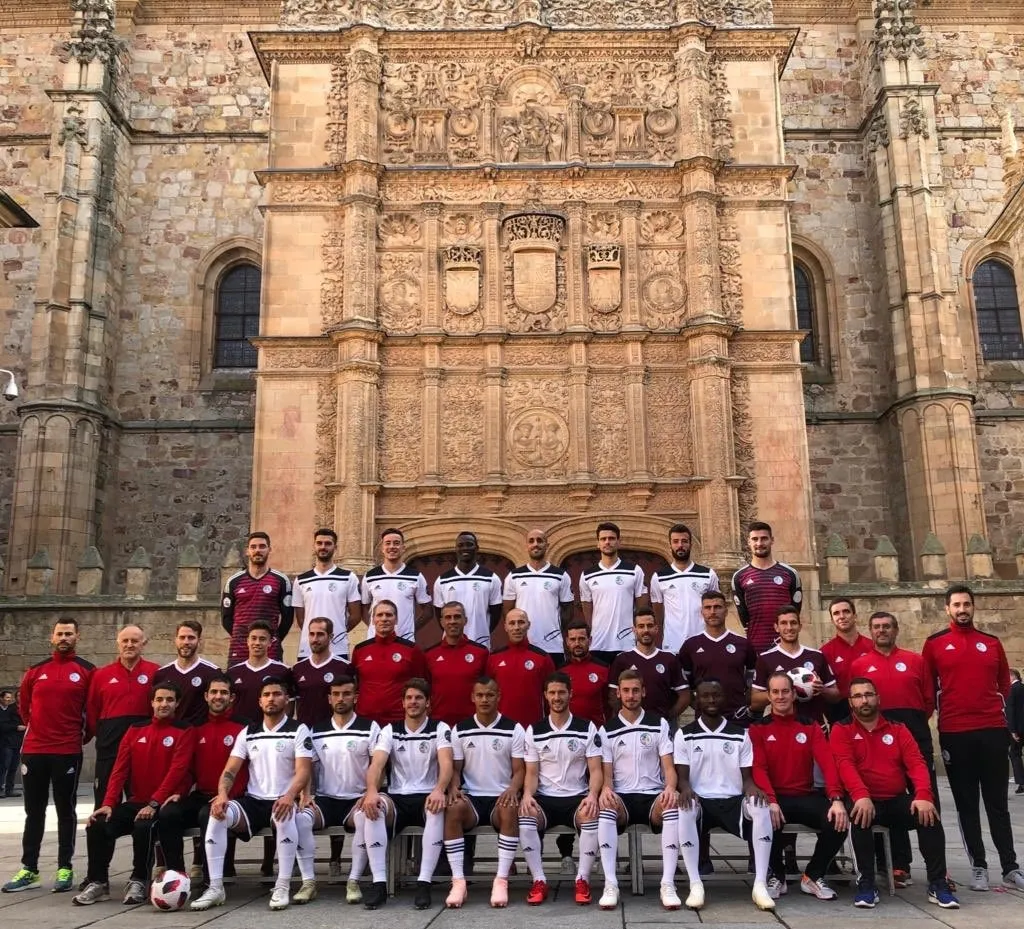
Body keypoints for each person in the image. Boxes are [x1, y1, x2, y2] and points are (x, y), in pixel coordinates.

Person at [922, 584, 1024, 891]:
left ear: (973, 607)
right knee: (967, 804)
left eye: (967, 604)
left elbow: (1004, 682)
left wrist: (998, 716)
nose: (962, 609)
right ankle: (978, 866)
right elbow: (928, 688)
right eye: (956, 605)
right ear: (947, 609)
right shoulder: (935, 644)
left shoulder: (991, 643)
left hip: (992, 731)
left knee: (997, 804)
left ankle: (1010, 866)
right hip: (955, 733)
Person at [831, 678, 960, 909]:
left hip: (896, 799)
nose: (864, 700)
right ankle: (867, 883)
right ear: (850, 702)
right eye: (858, 696)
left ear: (878, 698)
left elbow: (916, 763)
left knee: (929, 815)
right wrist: (861, 794)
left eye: (868, 694)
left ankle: (938, 883)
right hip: (866, 800)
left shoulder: (898, 728)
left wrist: (923, 794)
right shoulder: (841, 729)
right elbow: (844, 764)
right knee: (859, 815)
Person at [190, 676, 315, 912]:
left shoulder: (298, 729)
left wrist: (289, 795)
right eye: (267, 695)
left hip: (282, 799)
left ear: (286, 699)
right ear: (259, 701)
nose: (271, 699)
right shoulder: (249, 732)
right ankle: (215, 887)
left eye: (277, 694)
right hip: (254, 801)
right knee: (217, 813)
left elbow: (304, 770)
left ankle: (282, 885)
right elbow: (230, 769)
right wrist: (223, 794)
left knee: (285, 814)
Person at [72, 682, 194, 906]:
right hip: (137, 801)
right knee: (97, 823)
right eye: (159, 699)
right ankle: (98, 882)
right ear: (152, 702)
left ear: (177, 703)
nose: (163, 704)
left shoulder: (184, 731)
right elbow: (120, 769)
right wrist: (108, 803)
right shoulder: (135, 730)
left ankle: (139, 880)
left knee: (144, 825)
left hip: (163, 803)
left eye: (169, 700)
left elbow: (178, 770)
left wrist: (155, 803)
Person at [2, 618, 94, 894]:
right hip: (35, 751)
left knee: (66, 811)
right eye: (59, 634)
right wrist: (39, 730)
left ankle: (65, 867)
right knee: (34, 812)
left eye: (69, 633)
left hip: (67, 751)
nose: (64, 637)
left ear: (77, 636)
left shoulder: (88, 671)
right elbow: (25, 707)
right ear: (52, 637)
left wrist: (80, 737)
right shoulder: (35, 671)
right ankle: (29, 869)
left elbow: (92, 711)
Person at [851, 610, 936, 887]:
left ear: (896, 629)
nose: (882, 631)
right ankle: (893, 864)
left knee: (924, 800)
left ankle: (937, 869)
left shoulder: (915, 661)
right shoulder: (860, 664)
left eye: (887, 626)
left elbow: (928, 701)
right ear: (870, 631)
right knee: (886, 796)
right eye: (876, 627)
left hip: (912, 736)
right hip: (876, 738)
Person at [675, 678, 775, 911]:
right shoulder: (685, 734)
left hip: (732, 800)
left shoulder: (740, 734)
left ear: (724, 698)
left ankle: (760, 884)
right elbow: (682, 777)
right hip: (701, 801)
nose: (711, 700)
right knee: (684, 807)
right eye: (706, 695)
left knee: (761, 807)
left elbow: (747, 778)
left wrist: (752, 788)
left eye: (716, 695)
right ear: (696, 700)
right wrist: (686, 788)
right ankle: (695, 883)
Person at [749, 671, 848, 900]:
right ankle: (777, 876)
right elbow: (759, 769)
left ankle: (813, 875)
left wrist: (836, 798)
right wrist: (771, 801)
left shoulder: (810, 726)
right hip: (775, 797)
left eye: (785, 691)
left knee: (839, 820)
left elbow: (828, 764)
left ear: (795, 694)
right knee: (760, 816)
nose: (780, 696)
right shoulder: (758, 729)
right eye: (775, 692)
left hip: (805, 795)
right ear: (769, 696)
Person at [356, 678, 453, 910]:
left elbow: (447, 763)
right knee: (373, 809)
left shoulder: (440, 728)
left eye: (419, 698)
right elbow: (377, 765)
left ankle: (424, 883)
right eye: (409, 698)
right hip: (398, 796)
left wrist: (439, 789)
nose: (413, 702)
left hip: (426, 795)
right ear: (402, 703)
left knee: (436, 809)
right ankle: (379, 883)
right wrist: (371, 791)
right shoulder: (390, 730)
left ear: (428, 703)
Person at [597, 669, 681, 911]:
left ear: (643, 692)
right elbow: (607, 773)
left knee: (671, 806)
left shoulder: (659, 724)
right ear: (618, 694)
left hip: (652, 795)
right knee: (606, 808)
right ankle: (610, 884)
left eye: (635, 690)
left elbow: (668, 766)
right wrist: (606, 790)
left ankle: (668, 883)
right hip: (622, 797)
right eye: (626, 691)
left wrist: (670, 788)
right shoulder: (608, 729)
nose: (631, 695)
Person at [518, 672, 603, 906]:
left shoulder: (586, 728)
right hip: (545, 797)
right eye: (552, 692)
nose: (557, 697)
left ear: (570, 694)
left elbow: (595, 770)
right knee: (525, 815)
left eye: (561, 692)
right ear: (545, 695)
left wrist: (593, 795)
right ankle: (539, 880)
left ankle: (582, 879)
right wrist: (527, 795)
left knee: (592, 814)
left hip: (577, 796)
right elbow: (532, 773)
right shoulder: (534, 730)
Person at [156, 674, 248, 884]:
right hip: (201, 794)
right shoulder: (193, 728)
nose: (218, 696)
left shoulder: (244, 727)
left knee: (211, 815)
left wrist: (228, 794)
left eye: (223, 692)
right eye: (214, 692)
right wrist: (179, 792)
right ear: (206, 696)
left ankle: (210, 881)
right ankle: (176, 877)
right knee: (168, 813)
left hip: (232, 797)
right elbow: (187, 769)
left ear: (232, 697)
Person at [444, 675, 526, 908]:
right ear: (472, 698)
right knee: (452, 808)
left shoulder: (514, 728)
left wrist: (512, 788)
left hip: (500, 797)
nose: (485, 699)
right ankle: (458, 880)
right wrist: (454, 788)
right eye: (480, 695)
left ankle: (501, 880)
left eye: (490, 695)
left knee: (510, 808)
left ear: (498, 696)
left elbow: (519, 770)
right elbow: (456, 769)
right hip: (472, 798)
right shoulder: (460, 729)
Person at [301, 675, 380, 906]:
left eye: (346, 694)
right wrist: (306, 795)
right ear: (329, 698)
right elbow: (308, 766)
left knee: (368, 818)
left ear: (355, 697)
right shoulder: (317, 730)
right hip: (325, 800)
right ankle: (308, 882)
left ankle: (353, 880)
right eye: (336, 694)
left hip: (356, 800)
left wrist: (371, 791)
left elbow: (378, 764)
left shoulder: (369, 727)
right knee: (299, 819)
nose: (341, 698)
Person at [87, 624, 160, 806]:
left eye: (134, 641)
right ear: (118, 644)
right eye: (125, 641)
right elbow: (92, 710)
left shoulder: (156, 672)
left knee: (142, 803)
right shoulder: (101, 675)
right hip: (110, 748)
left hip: (143, 748)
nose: (129, 645)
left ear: (143, 644)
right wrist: (104, 735)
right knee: (105, 801)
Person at [678, 591, 756, 726]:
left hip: (737, 718)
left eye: (718, 607)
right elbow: (686, 686)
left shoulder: (743, 643)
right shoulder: (690, 645)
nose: (713, 611)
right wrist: (699, 705)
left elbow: (752, 682)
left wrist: (744, 704)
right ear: (702, 612)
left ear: (726, 611)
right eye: (708, 608)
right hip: (704, 719)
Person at [751, 606, 839, 723]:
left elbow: (836, 696)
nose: (789, 627)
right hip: (781, 729)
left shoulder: (816, 655)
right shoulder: (765, 658)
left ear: (800, 626)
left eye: (793, 623)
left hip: (814, 727)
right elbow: (755, 702)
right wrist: (780, 692)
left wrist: (822, 689)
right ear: (776, 627)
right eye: (783, 623)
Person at [579, 522, 649, 663]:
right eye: (603, 539)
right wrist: (591, 632)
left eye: (611, 538)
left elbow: (642, 607)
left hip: (627, 642)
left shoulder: (634, 570)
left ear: (618, 542)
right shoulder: (587, 575)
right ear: (598, 543)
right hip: (598, 643)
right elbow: (587, 607)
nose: (607, 542)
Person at [222, 531, 294, 666]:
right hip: (239, 649)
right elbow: (226, 618)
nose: (257, 550)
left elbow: (287, 618)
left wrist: (272, 639)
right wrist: (243, 638)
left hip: (270, 650)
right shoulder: (234, 581)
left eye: (262, 546)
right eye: (253, 547)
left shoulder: (281, 580)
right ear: (247, 551)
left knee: (272, 686)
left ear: (269, 549)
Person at [502, 528, 574, 662]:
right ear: (527, 546)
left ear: (547, 545)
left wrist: (554, 630)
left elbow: (568, 610)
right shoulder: (514, 576)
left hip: (552, 646)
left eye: (540, 541)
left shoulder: (560, 575)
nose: (536, 544)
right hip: (524, 644)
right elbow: (507, 610)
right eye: (531, 541)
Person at [351, 599, 428, 724]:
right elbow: (354, 685)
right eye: (379, 615)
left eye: (389, 615)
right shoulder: (360, 650)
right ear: (372, 620)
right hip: (365, 720)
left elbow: (422, 685)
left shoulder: (411, 650)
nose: (384, 619)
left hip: (399, 720)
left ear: (396, 620)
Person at [731, 522, 802, 654]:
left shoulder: (790, 573)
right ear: (749, 542)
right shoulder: (739, 577)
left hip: (786, 646)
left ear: (772, 540)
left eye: (764, 538)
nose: (759, 543)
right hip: (757, 647)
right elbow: (743, 615)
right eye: (755, 539)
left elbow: (795, 611)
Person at [650, 523, 720, 654]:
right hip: (673, 646)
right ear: (670, 544)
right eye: (675, 541)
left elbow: (716, 608)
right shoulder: (659, 577)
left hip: (703, 643)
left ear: (691, 544)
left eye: (684, 541)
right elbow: (658, 614)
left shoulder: (708, 574)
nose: (680, 545)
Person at [293, 528, 362, 661]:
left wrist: (338, 632)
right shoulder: (301, 580)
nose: (323, 547)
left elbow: (356, 615)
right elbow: (301, 619)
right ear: (314, 546)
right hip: (308, 648)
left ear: (335, 547)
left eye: (328, 543)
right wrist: (316, 635)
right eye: (319, 543)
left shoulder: (348, 577)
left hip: (338, 647)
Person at [608, 608, 688, 721]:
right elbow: (613, 695)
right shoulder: (622, 659)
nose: (646, 630)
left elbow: (684, 695)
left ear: (656, 629)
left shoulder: (669, 659)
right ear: (634, 630)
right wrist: (625, 718)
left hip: (661, 725)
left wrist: (668, 717)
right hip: (631, 724)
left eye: (650, 626)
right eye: (641, 626)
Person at [485, 609, 556, 727]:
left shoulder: (542, 658)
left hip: (533, 728)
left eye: (521, 622)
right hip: (501, 729)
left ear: (528, 625)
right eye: (512, 623)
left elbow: (552, 698)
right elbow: (486, 695)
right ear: (505, 627)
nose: (517, 627)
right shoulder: (493, 658)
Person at [433, 532, 503, 648]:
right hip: (451, 643)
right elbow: (439, 614)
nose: (465, 548)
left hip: (480, 642)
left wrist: (483, 632)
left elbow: (496, 613)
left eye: (469, 544)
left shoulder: (491, 578)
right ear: (456, 549)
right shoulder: (442, 580)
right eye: (461, 545)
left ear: (477, 548)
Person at [423, 601, 489, 726]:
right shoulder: (430, 654)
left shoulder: (481, 653)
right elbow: (425, 692)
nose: (452, 621)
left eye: (457, 617)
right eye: (448, 617)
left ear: (465, 620)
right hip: (438, 724)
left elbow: (488, 689)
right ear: (442, 622)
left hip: (473, 724)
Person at [360, 528, 432, 640]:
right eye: (387, 543)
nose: (392, 547)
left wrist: (411, 629)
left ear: (403, 548)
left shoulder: (415, 577)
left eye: (396, 543)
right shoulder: (370, 576)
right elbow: (364, 608)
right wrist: (375, 626)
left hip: (405, 640)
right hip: (375, 640)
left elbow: (428, 611)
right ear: (382, 548)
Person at [153, 621, 222, 726]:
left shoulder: (212, 672)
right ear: (175, 640)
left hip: (198, 734)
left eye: (191, 638)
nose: (186, 642)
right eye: (182, 637)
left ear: (199, 641)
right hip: (170, 736)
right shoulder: (162, 674)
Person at [227, 621, 292, 723]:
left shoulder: (283, 671)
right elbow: (229, 705)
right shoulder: (233, 672)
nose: (257, 643)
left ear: (270, 642)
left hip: (269, 732)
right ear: (247, 641)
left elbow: (289, 705)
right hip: (240, 731)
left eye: (262, 639)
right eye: (253, 638)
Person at [292, 617, 353, 728]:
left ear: (330, 637)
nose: (315, 639)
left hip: (333, 732)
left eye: (320, 634)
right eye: (311, 634)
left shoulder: (344, 667)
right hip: (306, 732)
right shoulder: (298, 668)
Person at [820, 597, 872, 723]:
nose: (841, 616)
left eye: (846, 611)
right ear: (832, 620)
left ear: (855, 616)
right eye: (836, 613)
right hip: (841, 717)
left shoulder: (872, 646)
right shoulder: (824, 652)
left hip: (872, 712)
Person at [562, 621, 610, 726]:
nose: (577, 644)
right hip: (569, 732)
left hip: (596, 731)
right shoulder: (560, 671)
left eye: (582, 639)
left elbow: (609, 704)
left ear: (590, 640)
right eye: (573, 639)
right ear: (567, 642)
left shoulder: (603, 669)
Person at [0, 688, 25, 797]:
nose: (21, 698)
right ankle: (1, 789)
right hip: (8, 742)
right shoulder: (9, 709)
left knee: (14, 767)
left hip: (19, 742)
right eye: (19, 696)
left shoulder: (26, 708)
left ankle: (9, 790)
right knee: (4, 766)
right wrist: (16, 727)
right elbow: (3, 725)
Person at [1009, 669, 1024, 794]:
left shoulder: (1012, 690)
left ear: (1012, 676)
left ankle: (1022, 783)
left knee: (1014, 754)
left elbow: (1011, 711)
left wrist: (1012, 730)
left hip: (1018, 729)